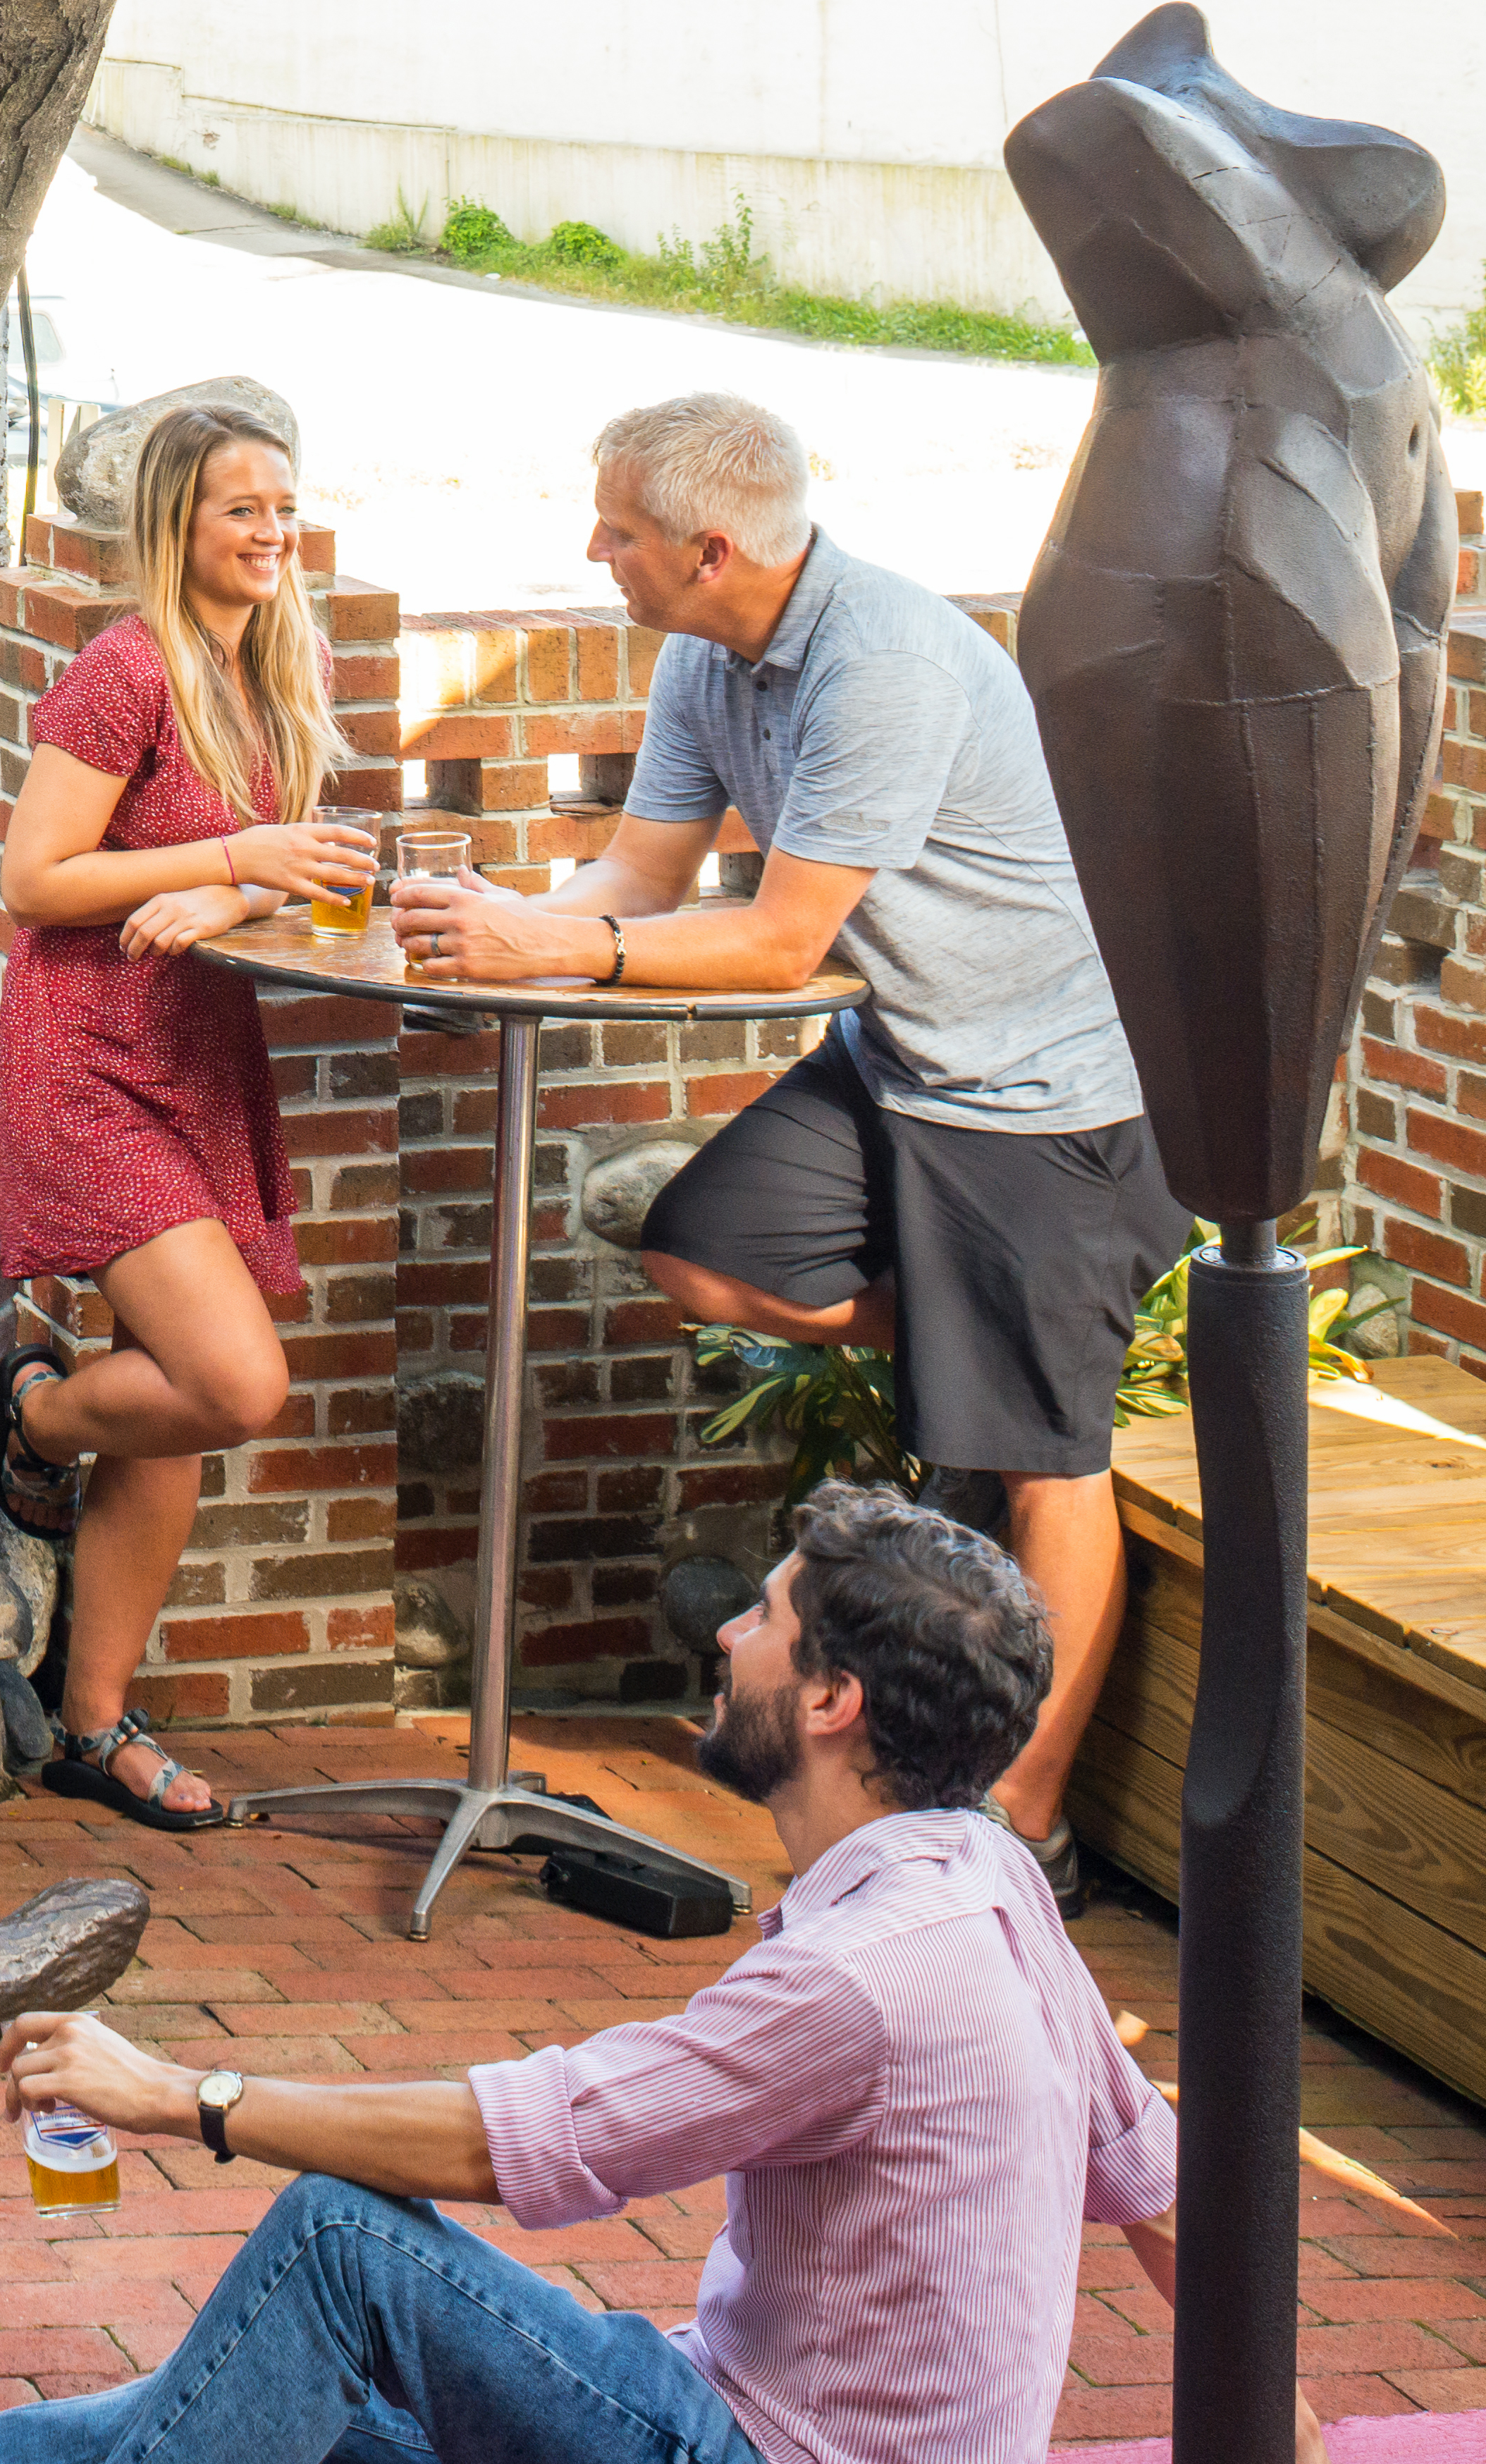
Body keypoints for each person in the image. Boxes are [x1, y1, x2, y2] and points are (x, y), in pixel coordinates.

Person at [0, 1484, 1470, 2464]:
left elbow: (520, 2137)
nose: (726, 1630)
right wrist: (1293, 2448)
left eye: (761, 1614)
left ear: (833, 1700)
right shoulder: (987, 1876)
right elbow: (1166, 2184)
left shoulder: (866, 1975)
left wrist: (184, 2091)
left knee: (340, 2245)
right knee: (292, 2373)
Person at [388, 393, 1186, 1911]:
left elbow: (776, 936)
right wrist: (497, 929)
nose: (593, 550)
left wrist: (557, 946)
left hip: (1042, 1100)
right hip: (897, 1066)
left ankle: (1026, 1822)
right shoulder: (706, 648)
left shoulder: (881, 662)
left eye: (614, 529)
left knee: (1042, 1467)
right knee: (703, 1243)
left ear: (707, 545)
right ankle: (989, 1349)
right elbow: (638, 870)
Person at [0, 398, 377, 1832]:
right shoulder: (126, 667)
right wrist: (227, 854)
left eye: (284, 505)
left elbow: (311, 866)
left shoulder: (273, 659)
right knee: (234, 1380)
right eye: (240, 510)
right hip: (93, 1055)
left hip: (200, 1050)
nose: (272, 532)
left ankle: (93, 1724)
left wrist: (233, 887)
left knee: (184, 1408)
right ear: (176, 522)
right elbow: (36, 878)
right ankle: (34, 1412)